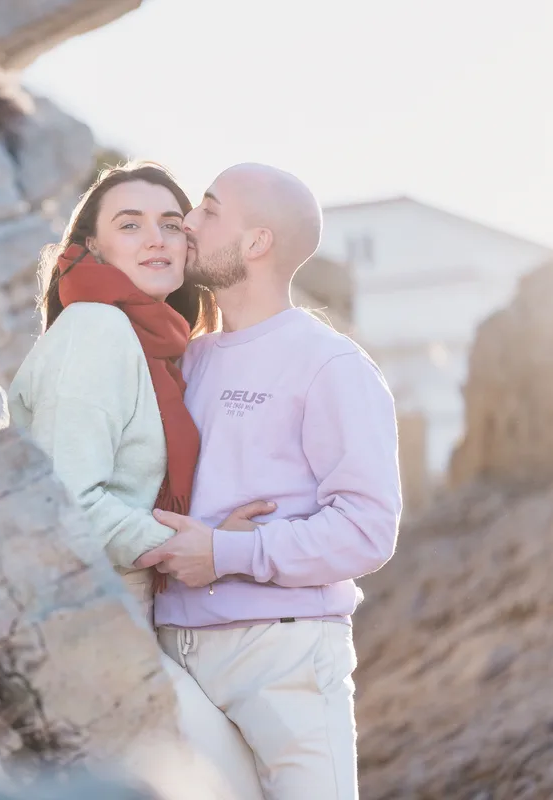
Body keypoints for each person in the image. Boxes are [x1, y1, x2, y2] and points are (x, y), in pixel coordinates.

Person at [136, 163, 403, 799]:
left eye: (206, 210)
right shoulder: (185, 358)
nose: (185, 224)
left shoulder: (330, 365)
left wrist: (229, 552)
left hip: (283, 659)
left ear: (256, 243)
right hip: (172, 655)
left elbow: (368, 530)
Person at [7, 162, 265, 799]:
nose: (156, 238)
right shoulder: (96, 328)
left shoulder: (157, 344)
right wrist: (193, 545)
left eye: (171, 224)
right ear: (92, 247)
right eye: (131, 224)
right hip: (93, 621)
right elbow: (68, 502)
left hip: (138, 618)